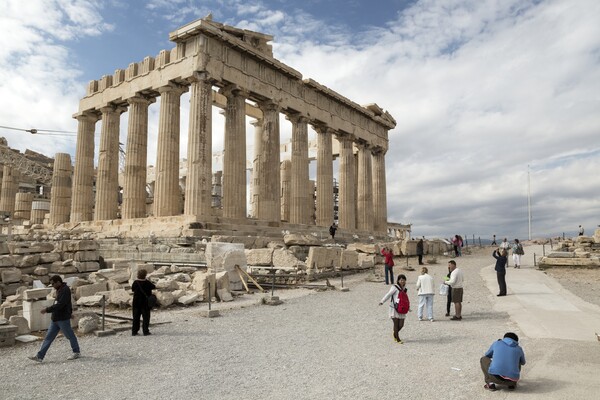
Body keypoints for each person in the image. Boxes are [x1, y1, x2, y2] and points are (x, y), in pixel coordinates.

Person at [29, 275, 80, 362]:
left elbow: (61, 304)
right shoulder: (59, 290)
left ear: (58, 282)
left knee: (70, 336)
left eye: (53, 284)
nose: (52, 285)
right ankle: (40, 356)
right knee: (48, 338)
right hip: (55, 319)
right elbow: (62, 304)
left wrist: (47, 310)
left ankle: (76, 352)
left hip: (62, 319)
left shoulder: (65, 290)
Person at [379, 274, 409, 344]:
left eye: (403, 280)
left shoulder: (404, 289)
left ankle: (395, 333)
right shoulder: (394, 287)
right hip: (394, 308)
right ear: (398, 280)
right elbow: (388, 294)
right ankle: (397, 338)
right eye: (401, 280)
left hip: (402, 308)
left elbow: (405, 299)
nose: (402, 281)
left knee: (401, 325)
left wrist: (408, 307)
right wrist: (382, 301)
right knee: (396, 324)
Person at [132, 268, 157, 336]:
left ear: (138, 275)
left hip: (136, 303)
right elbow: (154, 286)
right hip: (145, 303)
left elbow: (133, 289)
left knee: (136, 317)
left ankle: (134, 331)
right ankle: (145, 331)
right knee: (146, 317)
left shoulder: (135, 283)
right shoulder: (147, 283)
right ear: (145, 275)